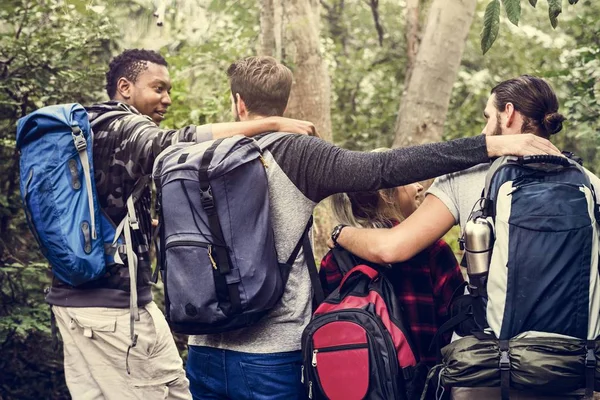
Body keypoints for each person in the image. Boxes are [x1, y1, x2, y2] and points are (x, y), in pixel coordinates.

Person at [184, 58, 561, 400]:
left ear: (238, 103)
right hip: (271, 355)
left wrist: (339, 236)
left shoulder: (188, 155)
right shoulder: (297, 153)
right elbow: (381, 169)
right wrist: (487, 145)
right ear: (284, 103)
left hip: (202, 348)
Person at [48, 49, 317, 400]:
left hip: (76, 301)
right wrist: (271, 124)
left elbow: (107, 205)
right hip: (113, 308)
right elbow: (174, 143)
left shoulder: (91, 128)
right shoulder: (125, 126)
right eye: (158, 88)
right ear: (125, 87)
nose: (167, 99)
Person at [331, 75, 600, 399]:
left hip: (486, 368)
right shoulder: (591, 185)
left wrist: (340, 232)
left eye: (489, 117)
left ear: (509, 113)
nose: (485, 130)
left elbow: (392, 248)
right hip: (574, 366)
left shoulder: (469, 177)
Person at [320, 172, 464, 368]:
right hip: (425, 383)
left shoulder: (334, 258)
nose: (420, 186)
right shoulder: (432, 251)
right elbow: (457, 324)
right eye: (408, 180)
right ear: (386, 196)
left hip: (360, 383)